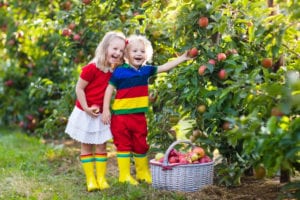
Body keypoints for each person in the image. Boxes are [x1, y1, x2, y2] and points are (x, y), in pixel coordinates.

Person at [101, 34, 195, 185]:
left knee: (140, 144)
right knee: (123, 145)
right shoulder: (119, 71)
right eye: (134, 51)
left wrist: (182, 58)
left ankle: (142, 173)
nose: (139, 54)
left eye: (142, 51)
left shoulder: (146, 71)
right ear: (126, 54)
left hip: (138, 117)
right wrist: (106, 109)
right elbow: (109, 89)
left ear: (147, 55)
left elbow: (164, 67)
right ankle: (124, 175)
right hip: (121, 117)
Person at [65, 31, 126, 192]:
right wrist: (85, 107)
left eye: (121, 51)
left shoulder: (113, 70)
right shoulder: (91, 68)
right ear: (105, 47)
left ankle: (101, 178)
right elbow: (79, 88)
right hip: (86, 112)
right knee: (87, 145)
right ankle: (90, 179)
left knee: (101, 146)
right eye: (115, 49)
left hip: (101, 114)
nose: (117, 53)